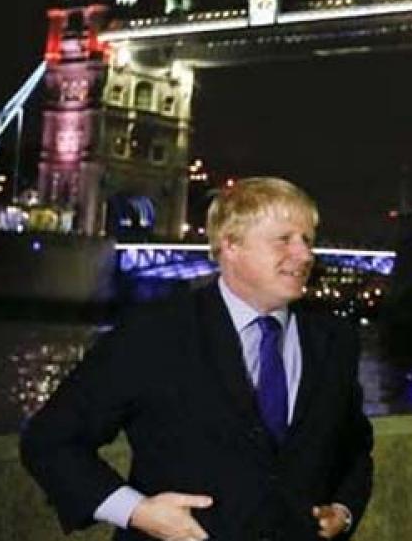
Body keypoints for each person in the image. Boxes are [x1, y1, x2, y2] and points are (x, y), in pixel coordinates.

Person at [21, 177, 373, 541]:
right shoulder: (155, 334)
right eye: (284, 240)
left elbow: (354, 448)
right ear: (230, 246)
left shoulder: (334, 342)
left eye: (307, 241)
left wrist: (344, 511)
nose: (305, 255)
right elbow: (50, 440)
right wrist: (137, 511)